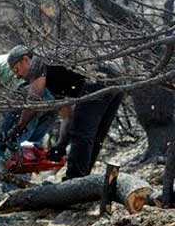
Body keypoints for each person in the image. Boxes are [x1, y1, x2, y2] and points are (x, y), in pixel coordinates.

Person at [7, 45, 123, 180]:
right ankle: (83, 180)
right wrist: (61, 144)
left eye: (17, 70)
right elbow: (67, 115)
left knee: (82, 132)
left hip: (98, 75)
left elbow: (34, 99)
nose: (18, 76)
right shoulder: (55, 75)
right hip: (115, 75)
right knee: (95, 135)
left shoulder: (38, 61)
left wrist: (19, 127)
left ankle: (73, 180)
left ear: (26, 59)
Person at [0, 38, 56, 162]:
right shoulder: (9, 58)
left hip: (29, 100)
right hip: (52, 100)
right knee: (29, 147)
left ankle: (10, 179)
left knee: (2, 146)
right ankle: (25, 175)